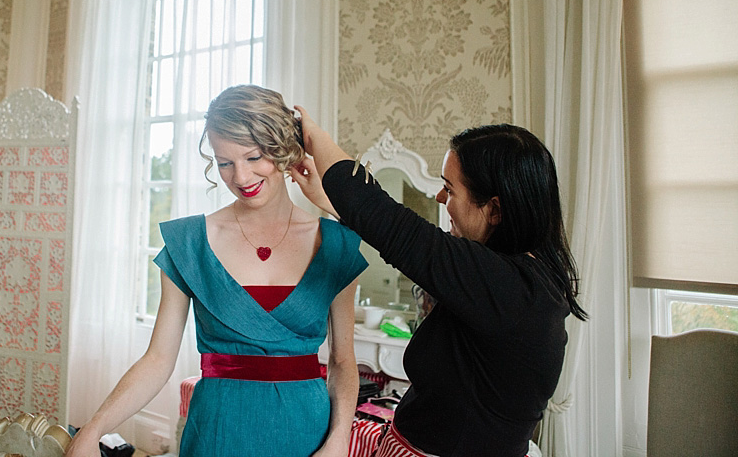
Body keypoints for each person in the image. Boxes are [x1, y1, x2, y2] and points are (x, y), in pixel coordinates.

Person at [66, 85, 367, 457]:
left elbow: (342, 361)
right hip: (218, 432)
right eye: (225, 163)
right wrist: (91, 430)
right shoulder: (189, 242)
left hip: (308, 434)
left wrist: (339, 440)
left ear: (284, 150)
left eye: (254, 157)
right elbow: (158, 360)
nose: (240, 177)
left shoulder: (335, 243)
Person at [289, 108, 588, 457]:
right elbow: (399, 242)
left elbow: (396, 230)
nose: (439, 198)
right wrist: (331, 200)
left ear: (494, 210)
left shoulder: (512, 290)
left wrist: (314, 136)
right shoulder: (522, 280)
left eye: (449, 188)